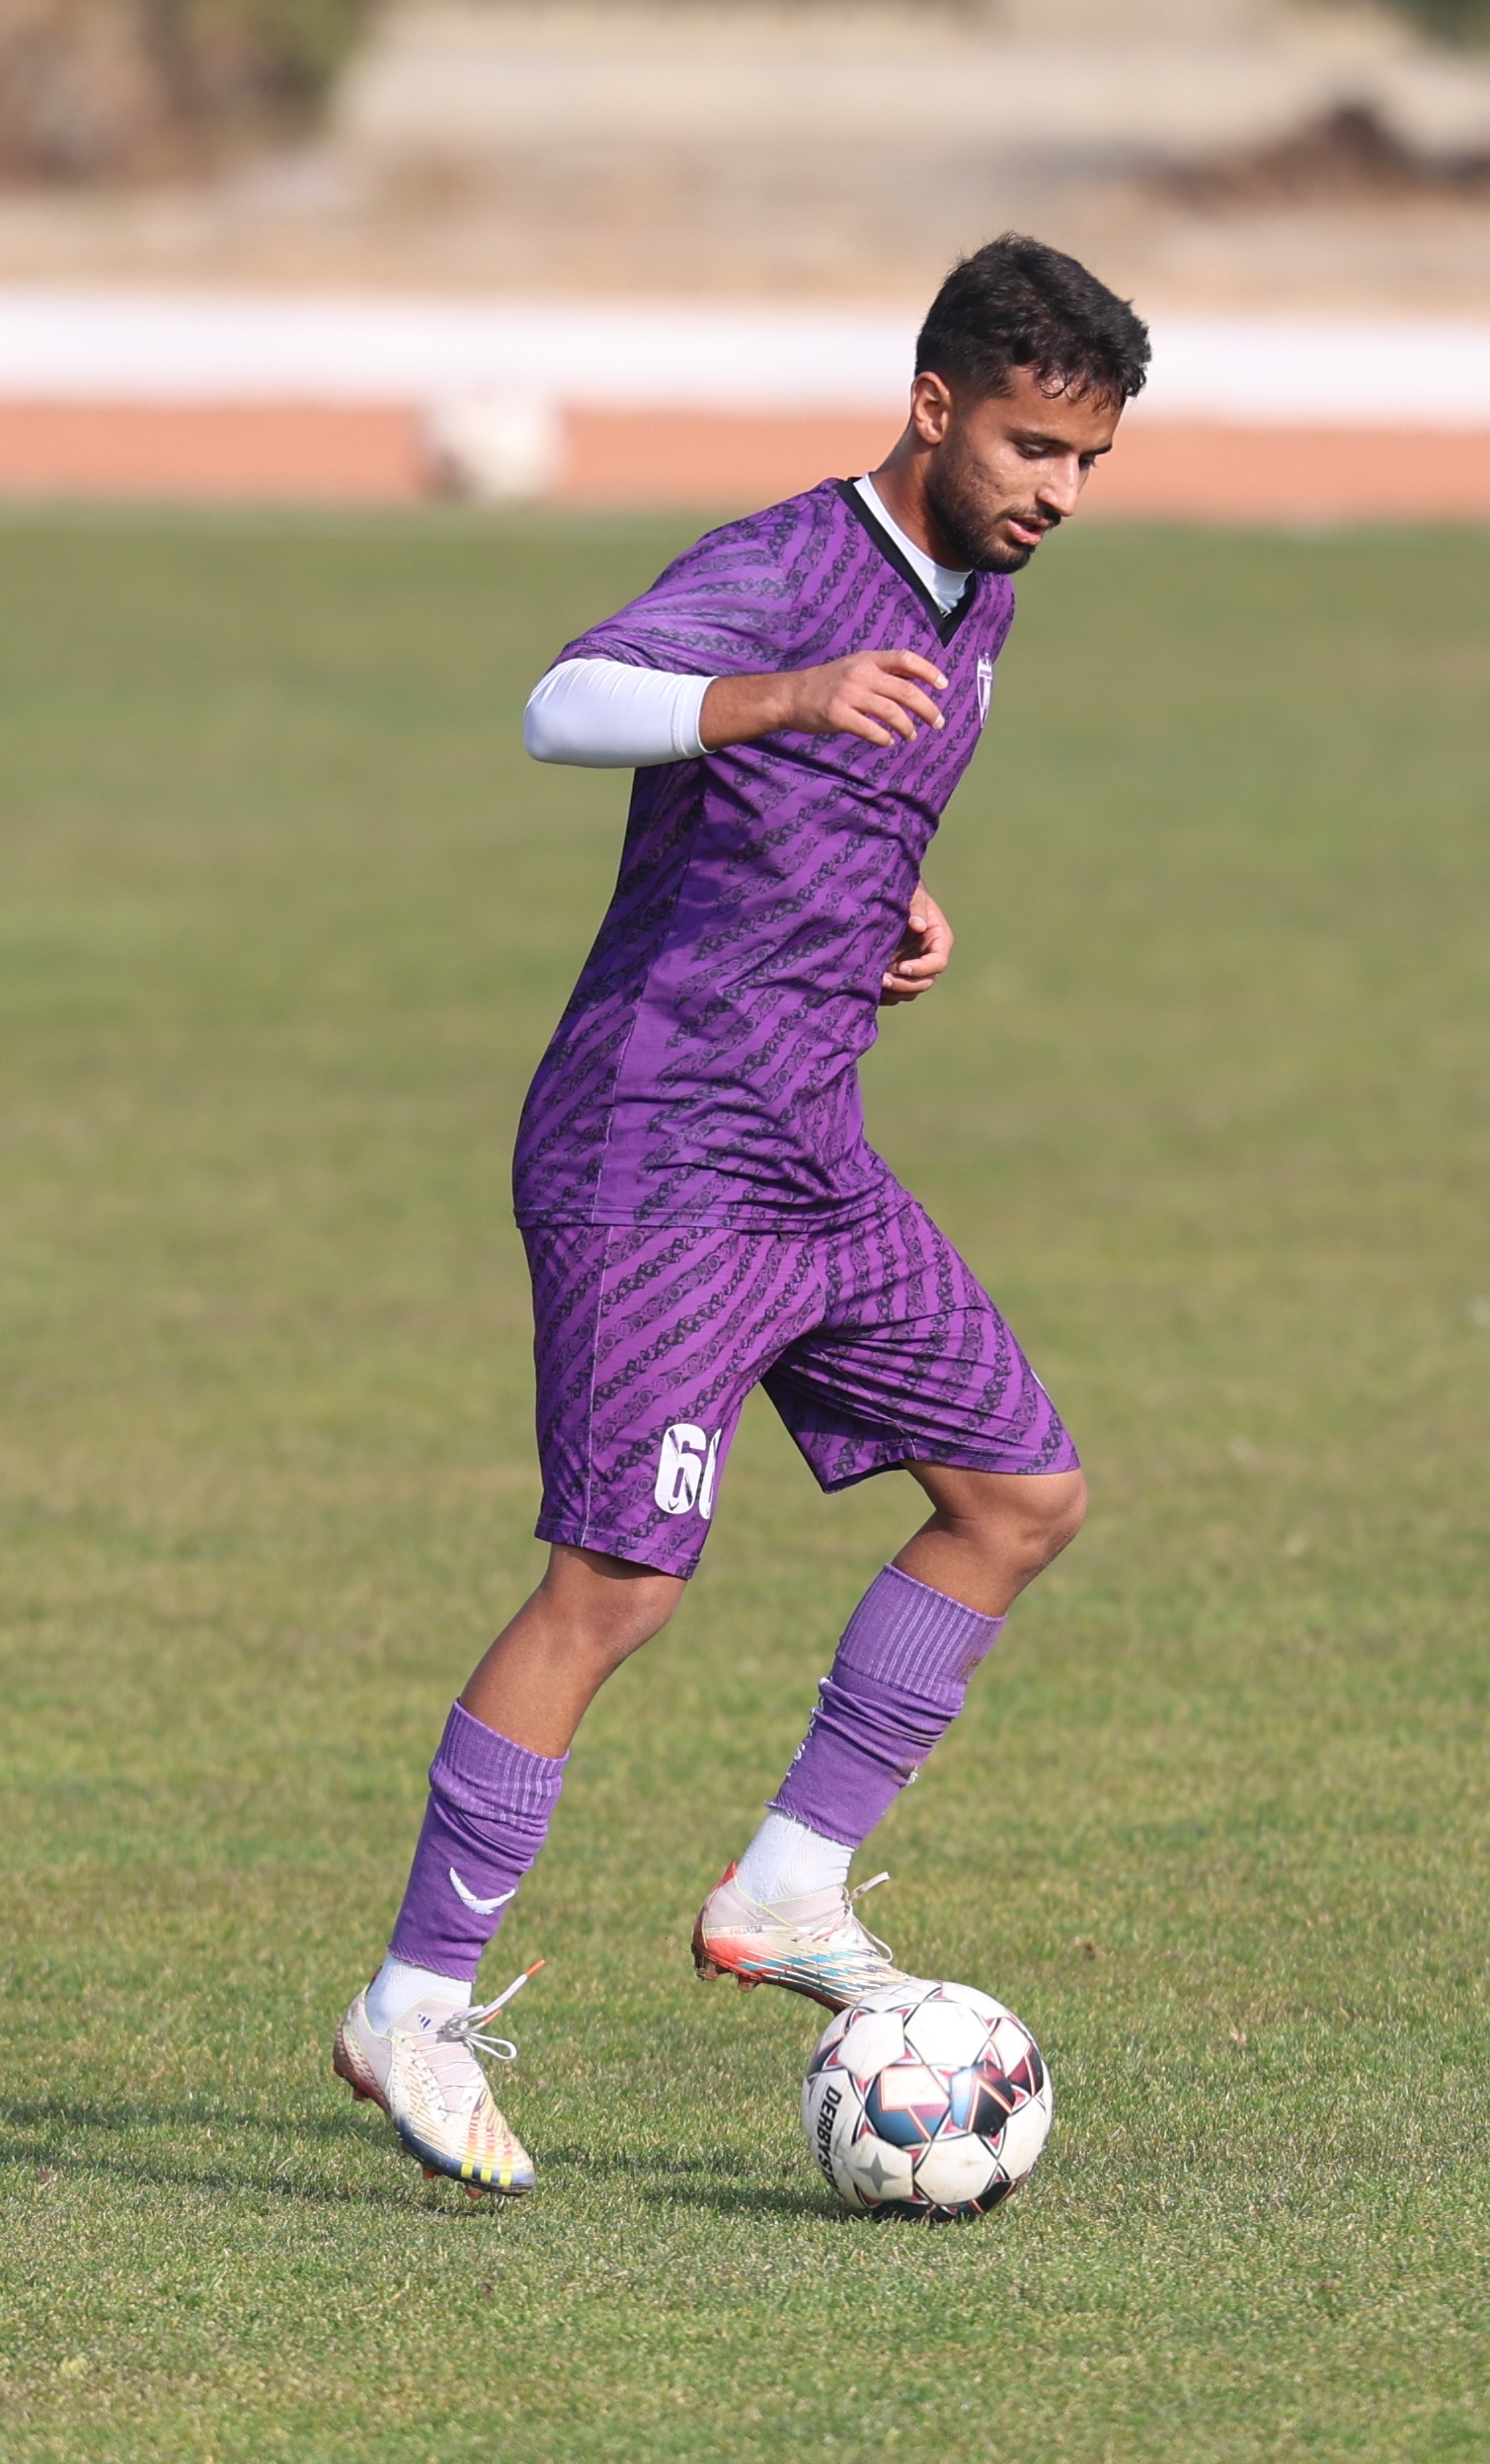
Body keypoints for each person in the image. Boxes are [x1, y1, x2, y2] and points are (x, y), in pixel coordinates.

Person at [334, 233, 1150, 2195]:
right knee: (617, 1586)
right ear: (936, 406)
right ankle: (411, 2004)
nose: (1057, 491)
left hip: (811, 1158)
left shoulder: (980, 602)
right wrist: (778, 696)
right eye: (1033, 446)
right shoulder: (790, 565)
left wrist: (895, 906)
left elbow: (838, 810)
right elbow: (566, 704)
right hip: (658, 1161)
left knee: (1018, 1497)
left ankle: (787, 1885)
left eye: (1089, 462)